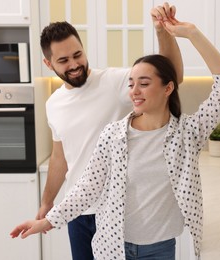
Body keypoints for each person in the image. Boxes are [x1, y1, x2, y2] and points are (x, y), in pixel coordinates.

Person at [11, 16, 220, 260]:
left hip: (160, 248)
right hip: (112, 244)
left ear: (167, 88)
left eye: (144, 83)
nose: (134, 91)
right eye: (131, 84)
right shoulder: (113, 135)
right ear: (49, 63)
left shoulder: (187, 134)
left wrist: (192, 33)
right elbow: (87, 187)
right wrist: (47, 219)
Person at [35, 3, 183, 260]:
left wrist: (162, 31)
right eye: (63, 60)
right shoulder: (53, 103)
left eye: (77, 54)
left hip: (119, 210)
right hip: (78, 213)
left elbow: (171, 76)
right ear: (49, 64)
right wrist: (47, 203)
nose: (74, 64)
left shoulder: (115, 82)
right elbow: (61, 157)